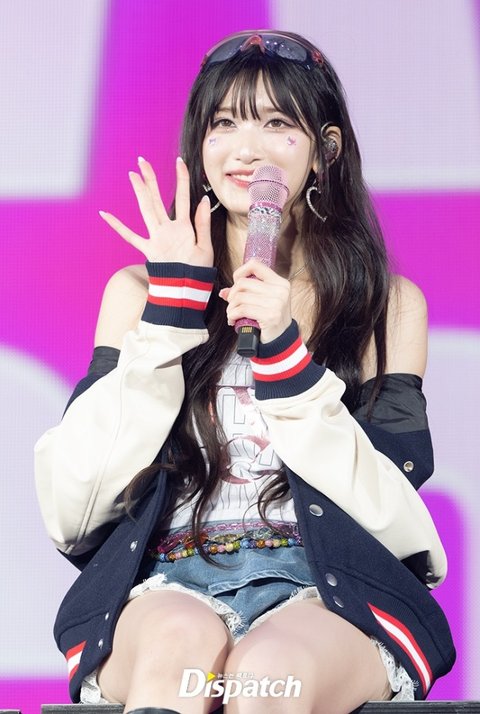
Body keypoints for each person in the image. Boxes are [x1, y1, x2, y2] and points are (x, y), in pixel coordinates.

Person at [35, 30, 455, 714]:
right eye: (224, 123)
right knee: (177, 656)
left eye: (277, 124)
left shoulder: (385, 307)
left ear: (326, 150)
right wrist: (171, 312)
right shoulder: (138, 293)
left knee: (267, 678)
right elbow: (71, 507)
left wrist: (286, 354)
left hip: (328, 589)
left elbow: (392, 513)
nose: (246, 149)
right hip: (167, 580)